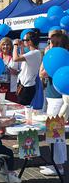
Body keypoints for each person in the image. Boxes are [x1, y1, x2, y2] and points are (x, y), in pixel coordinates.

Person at [39, 33, 69, 176]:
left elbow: (42, 74)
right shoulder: (53, 56)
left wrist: (46, 58)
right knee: (56, 133)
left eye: (57, 43)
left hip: (58, 99)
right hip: (52, 98)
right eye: (51, 43)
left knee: (55, 132)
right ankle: (57, 163)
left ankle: (58, 166)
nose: (53, 46)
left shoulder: (61, 57)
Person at [13, 31, 42, 105]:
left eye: (24, 40)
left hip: (26, 87)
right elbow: (24, 57)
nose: (23, 41)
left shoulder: (34, 53)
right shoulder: (34, 53)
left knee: (22, 108)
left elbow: (15, 58)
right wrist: (22, 46)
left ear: (30, 42)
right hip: (25, 86)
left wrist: (15, 45)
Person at [0, 37, 19, 102]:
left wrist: (16, 72)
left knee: (11, 105)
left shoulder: (16, 57)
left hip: (11, 87)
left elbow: (22, 70)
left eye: (8, 44)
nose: (5, 46)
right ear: (0, 46)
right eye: (3, 44)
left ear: (11, 46)